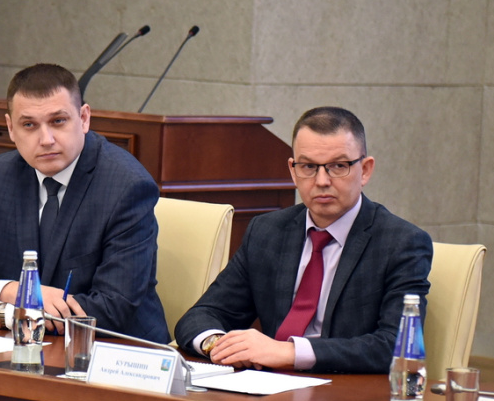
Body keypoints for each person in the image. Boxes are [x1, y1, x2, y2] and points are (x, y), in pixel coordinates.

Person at [175, 106, 432, 374]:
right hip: (267, 382)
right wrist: (220, 345)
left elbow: (395, 345)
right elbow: (201, 315)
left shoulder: (402, 243)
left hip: (341, 387)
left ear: (365, 170)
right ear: (293, 170)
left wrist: (290, 352)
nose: (322, 181)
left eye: (338, 166)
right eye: (308, 166)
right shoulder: (267, 231)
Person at [0, 63, 169, 342]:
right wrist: (13, 291)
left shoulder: (126, 186)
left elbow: (113, 308)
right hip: (27, 347)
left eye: (58, 121)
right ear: (10, 128)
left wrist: (5, 315)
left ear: (84, 118)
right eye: (29, 125)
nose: (46, 140)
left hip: (115, 351)